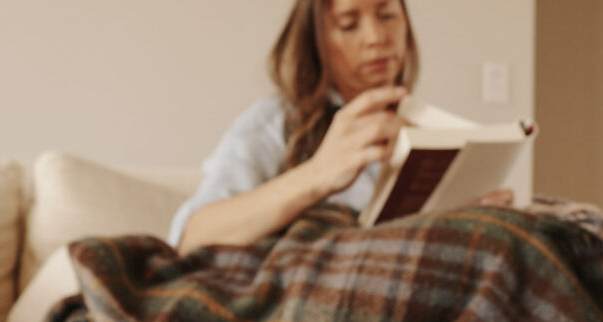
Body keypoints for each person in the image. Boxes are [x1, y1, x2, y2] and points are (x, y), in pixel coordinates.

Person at [168, 0, 419, 253]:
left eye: (387, 16)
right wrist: (318, 173)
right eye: (348, 25)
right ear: (316, 40)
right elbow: (193, 236)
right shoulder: (277, 123)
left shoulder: (422, 129)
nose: (376, 38)